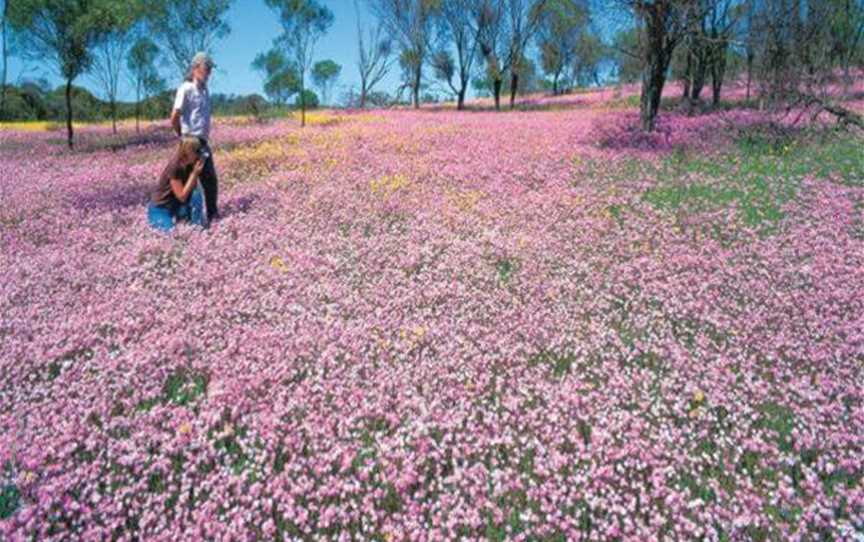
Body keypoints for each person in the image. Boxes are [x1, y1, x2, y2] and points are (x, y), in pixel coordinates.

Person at [171, 52, 219, 222]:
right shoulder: (186, 88)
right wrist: (183, 137)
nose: (209, 73)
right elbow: (174, 116)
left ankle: (212, 215)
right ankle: (186, 218)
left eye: (210, 69)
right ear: (195, 68)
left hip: (203, 142)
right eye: (207, 68)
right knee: (190, 182)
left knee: (210, 180)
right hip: (190, 141)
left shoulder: (206, 91)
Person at [147, 138, 206, 231]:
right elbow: (182, 196)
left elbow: (193, 190)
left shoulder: (190, 164)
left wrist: (196, 172)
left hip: (177, 205)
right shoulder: (175, 166)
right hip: (161, 208)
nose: (199, 154)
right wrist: (194, 174)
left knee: (196, 195)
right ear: (187, 151)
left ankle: (197, 227)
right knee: (170, 232)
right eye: (196, 151)